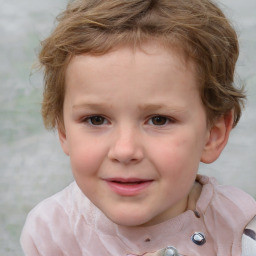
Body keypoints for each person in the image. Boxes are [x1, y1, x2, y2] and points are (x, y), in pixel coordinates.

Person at [20, 0, 256, 255]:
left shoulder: (240, 232)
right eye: (96, 120)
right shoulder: (50, 235)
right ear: (64, 132)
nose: (124, 150)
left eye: (158, 120)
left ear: (213, 135)